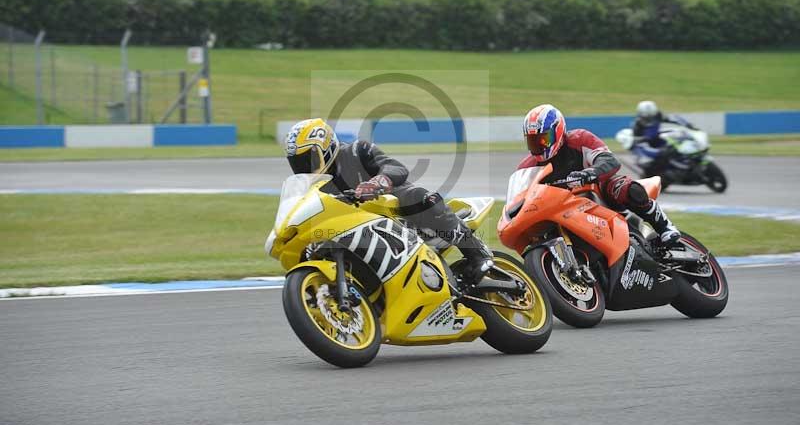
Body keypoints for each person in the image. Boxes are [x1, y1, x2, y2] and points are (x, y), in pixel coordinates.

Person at [284, 118, 494, 283]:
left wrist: (378, 182)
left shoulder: (358, 151)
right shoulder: (315, 187)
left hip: (395, 212)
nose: (304, 167)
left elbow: (397, 168)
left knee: (418, 196)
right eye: (297, 162)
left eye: (308, 159)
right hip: (357, 227)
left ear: (326, 147)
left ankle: (477, 253)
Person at [518, 104, 681, 247]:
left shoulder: (579, 139)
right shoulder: (528, 166)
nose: (539, 145)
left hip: (597, 196)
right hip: (560, 211)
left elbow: (609, 160)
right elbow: (520, 197)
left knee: (623, 188)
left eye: (544, 139)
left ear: (558, 131)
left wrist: (589, 173)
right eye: (533, 140)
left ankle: (665, 227)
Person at [632, 100, 697, 174]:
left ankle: (683, 162)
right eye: (647, 116)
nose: (650, 118)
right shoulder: (637, 124)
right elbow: (636, 139)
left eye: (651, 115)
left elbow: (671, 119)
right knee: (656, 156)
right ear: (641, 114)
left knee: (673, 146)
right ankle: (658, 171)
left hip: (658, 137)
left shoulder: (658, 115)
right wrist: (644, 139)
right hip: (647, 143)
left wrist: (686, 124)